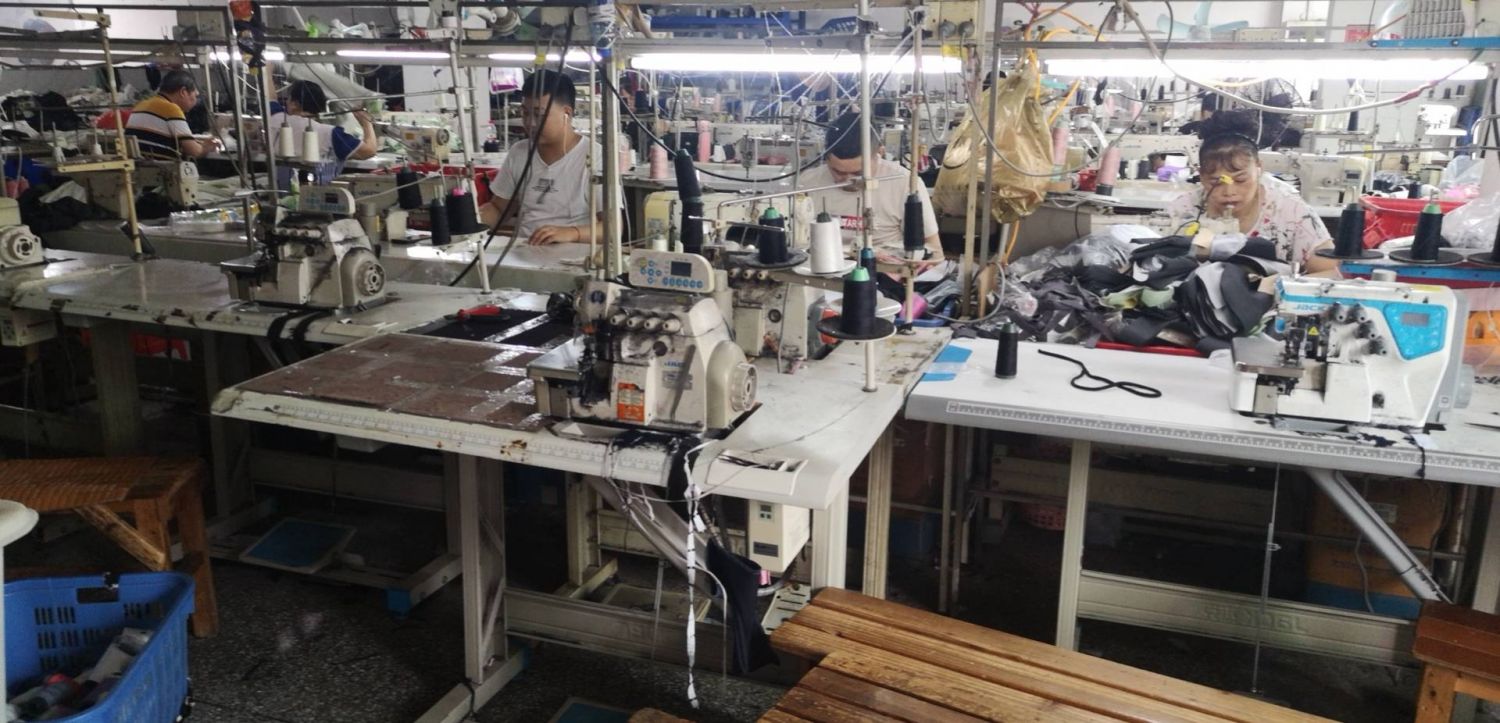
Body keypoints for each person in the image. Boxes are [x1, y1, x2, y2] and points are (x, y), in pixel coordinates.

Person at [1165, 110, 1338, 274]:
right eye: (1216, 182)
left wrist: (1277, 285)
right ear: (1201, 176)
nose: (1229, 192)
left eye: (1241, 180)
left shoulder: (1290, 212)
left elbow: (1333, 271)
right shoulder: (1182, 211)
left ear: (1259, 168)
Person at [799, 112, 942, 266]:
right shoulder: (807, 182)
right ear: (825, 158)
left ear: (879, 153)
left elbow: (935, 252)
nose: (848, 180)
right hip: (820, 270)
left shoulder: (906, 183)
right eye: (838, 172)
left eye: (858, 173)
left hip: (885, 272)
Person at [481, 69, 605, 246]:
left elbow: (612, 227)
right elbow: (498, 208)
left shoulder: (595, 156)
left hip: (574, 255)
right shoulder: (519, 152)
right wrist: (470, 221)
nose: (530, 123)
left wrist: (571, 233)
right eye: (525, 113)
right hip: (525, 251)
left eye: (539, 115)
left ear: (566, 113)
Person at [267, 80, 378, 163]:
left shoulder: (275, 117)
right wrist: (366, 123)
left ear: (294, 104)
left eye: (288, 99)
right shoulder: (330, 134)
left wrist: (267, 67)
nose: (286, 102)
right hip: (318, 185)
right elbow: (369, 150)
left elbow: (269, 95)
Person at [125, 70, 217, 159]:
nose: (195, 100)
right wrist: (207, 147)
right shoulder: (171, 109)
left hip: (140, 164)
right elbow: (194, 151)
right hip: (163, 167)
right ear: (183, 92)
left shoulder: (141, 105)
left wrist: (199, 144)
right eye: (195, 95)